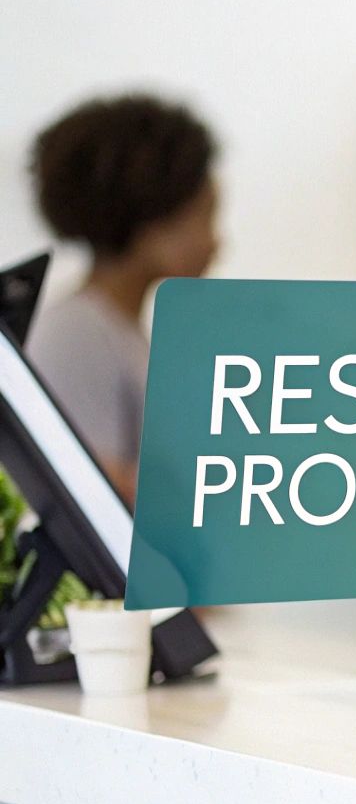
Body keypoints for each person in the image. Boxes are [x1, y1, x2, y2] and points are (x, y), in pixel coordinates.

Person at [26, 93, 220, 503]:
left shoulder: (120, 331)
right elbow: (86, 489)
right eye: (205, 217)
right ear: (152, 221)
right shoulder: (77, 333)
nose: (216, 242)